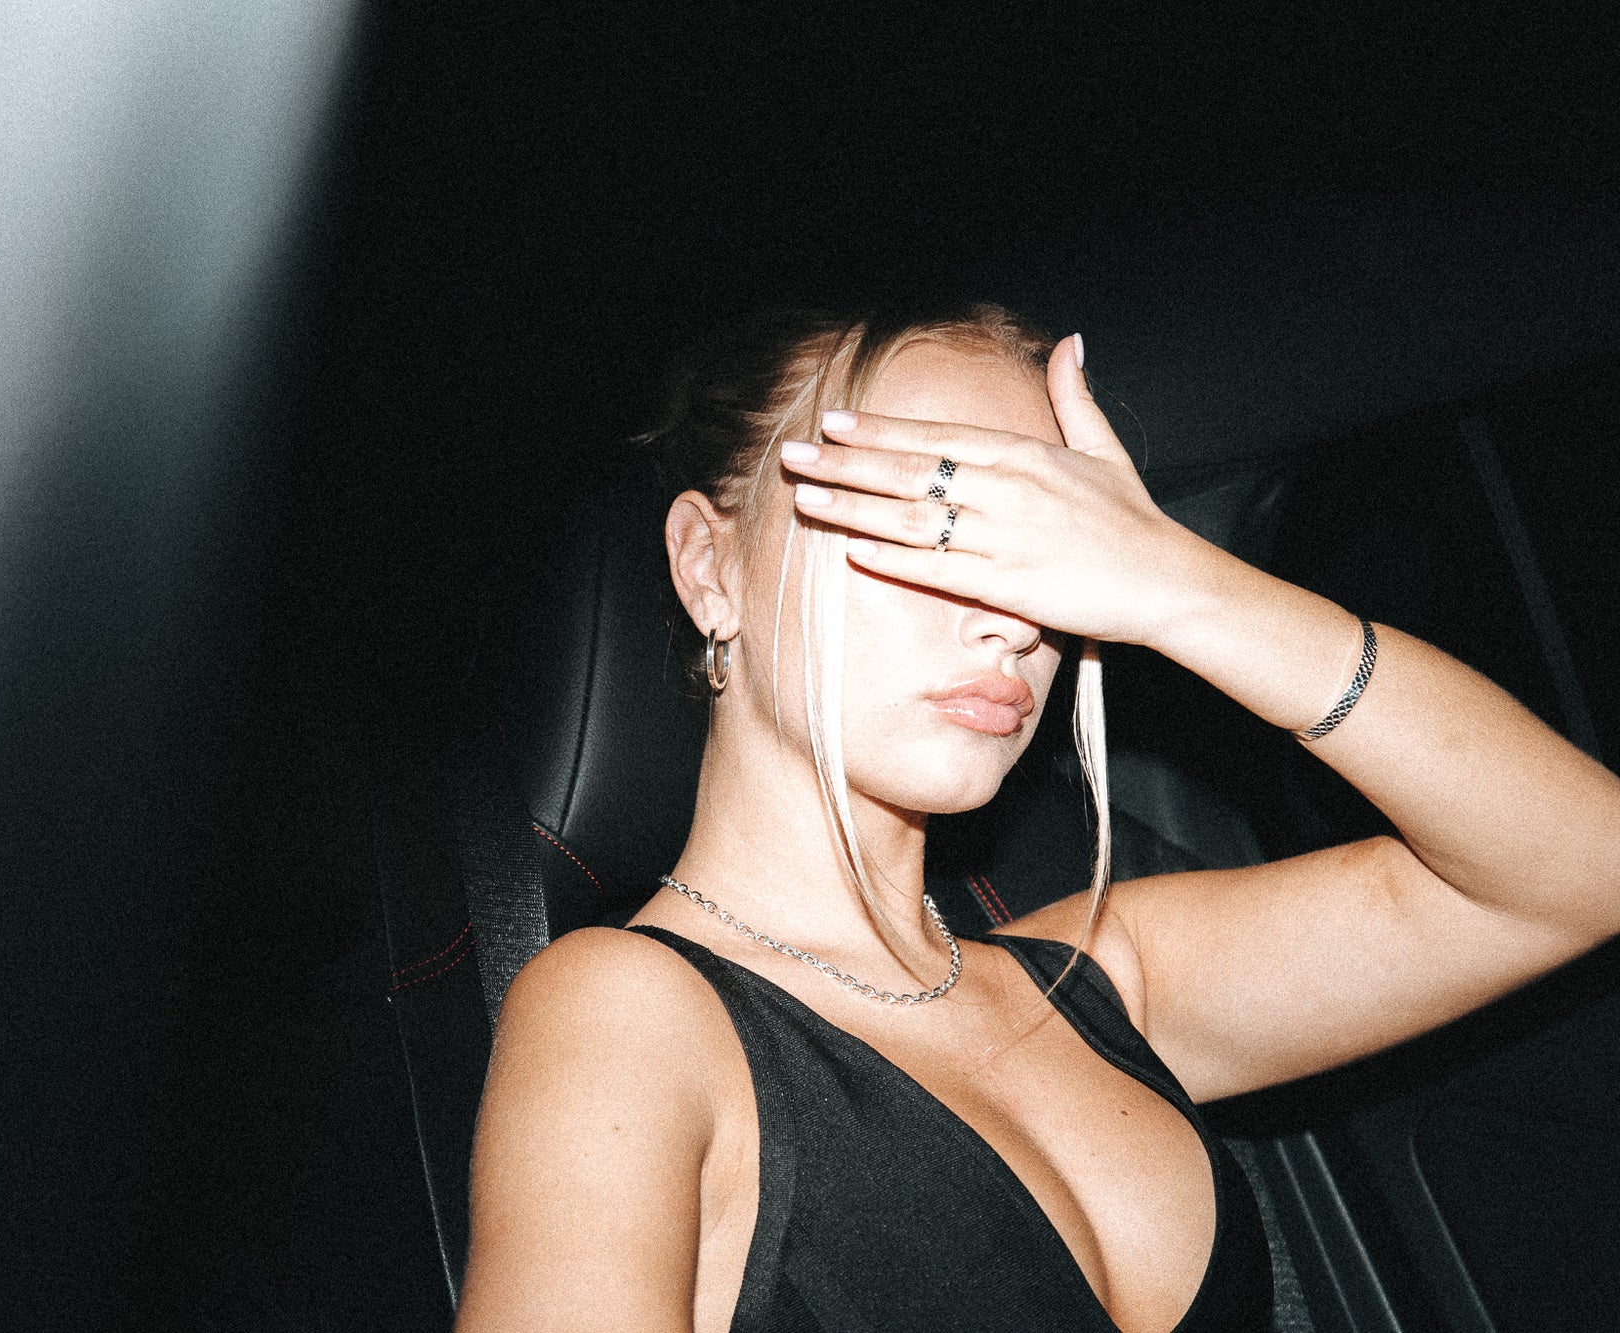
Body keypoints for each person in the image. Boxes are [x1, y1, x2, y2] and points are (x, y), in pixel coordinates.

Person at [452, 307, 1620, 1333]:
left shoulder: (1107, 979)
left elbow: (1580, 867)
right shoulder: (623, 1012)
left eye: (1043, 551)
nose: (1013, 619)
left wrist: (1176, 584)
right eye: (933, 518)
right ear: (709, 567)